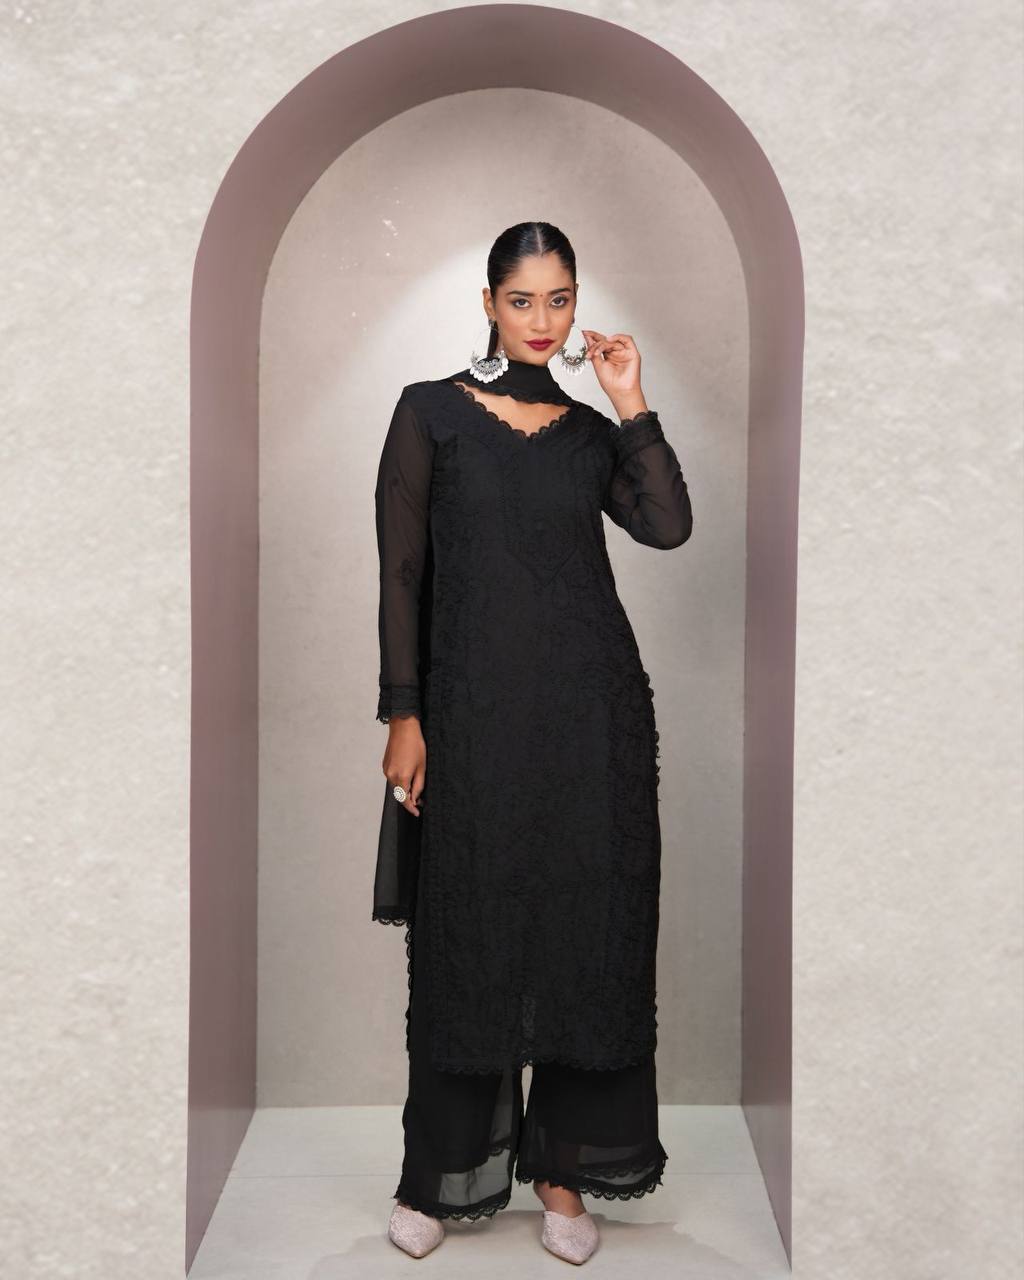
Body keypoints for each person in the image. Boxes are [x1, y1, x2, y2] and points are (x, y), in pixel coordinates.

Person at [372, 221, 693, 1263]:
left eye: (560, 300)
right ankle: (440, 1171)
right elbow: (401, 573)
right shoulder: (429, 413)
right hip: (471, 716)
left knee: (581, 940)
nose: (543, 321)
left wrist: (631, 399)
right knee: (467, 935)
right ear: (488, 303)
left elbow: (667, 525)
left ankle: (564, 1172)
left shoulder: (591, 434)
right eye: (523, 300)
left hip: (592, 720)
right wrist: (405, 712)